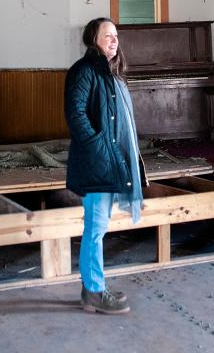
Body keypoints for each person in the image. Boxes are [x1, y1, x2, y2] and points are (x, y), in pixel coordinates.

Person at [64, 17, 147, 314]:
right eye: (107, 35)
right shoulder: (84, 71)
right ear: (92, 39)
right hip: (96, 164)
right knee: (95, 229)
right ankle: (94, 292)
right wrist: (99, 148)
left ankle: (94, 287)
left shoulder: (109, 72)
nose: (114, 40)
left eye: (116, 36)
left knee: (97, 228)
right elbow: (76, 115)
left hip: (108, 163)